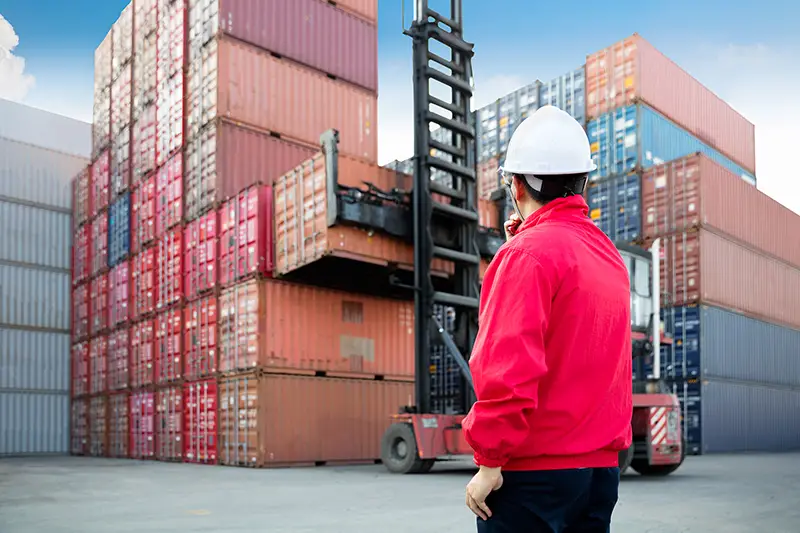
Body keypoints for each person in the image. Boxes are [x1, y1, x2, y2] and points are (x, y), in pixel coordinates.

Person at [462, 105, 633, 532]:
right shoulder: (608, 255)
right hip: (598, 476)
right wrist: (525, 242)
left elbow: (507, 367)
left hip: (534, 478)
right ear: (584, 181)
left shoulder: (525, 256)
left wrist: (489, 462)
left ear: (516, 185)